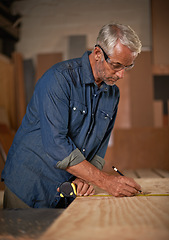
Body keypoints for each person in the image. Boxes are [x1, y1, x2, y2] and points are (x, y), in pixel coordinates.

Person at [1, 23, 142, 209]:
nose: (122, 74)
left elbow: (100, 147)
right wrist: (105, 181)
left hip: (66, 191)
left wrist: (85, 177)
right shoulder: (58, 79)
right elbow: (56, 145)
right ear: (98, 53)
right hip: (29, 185)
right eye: (116, 65)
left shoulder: (112, 94)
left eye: (127, 66)